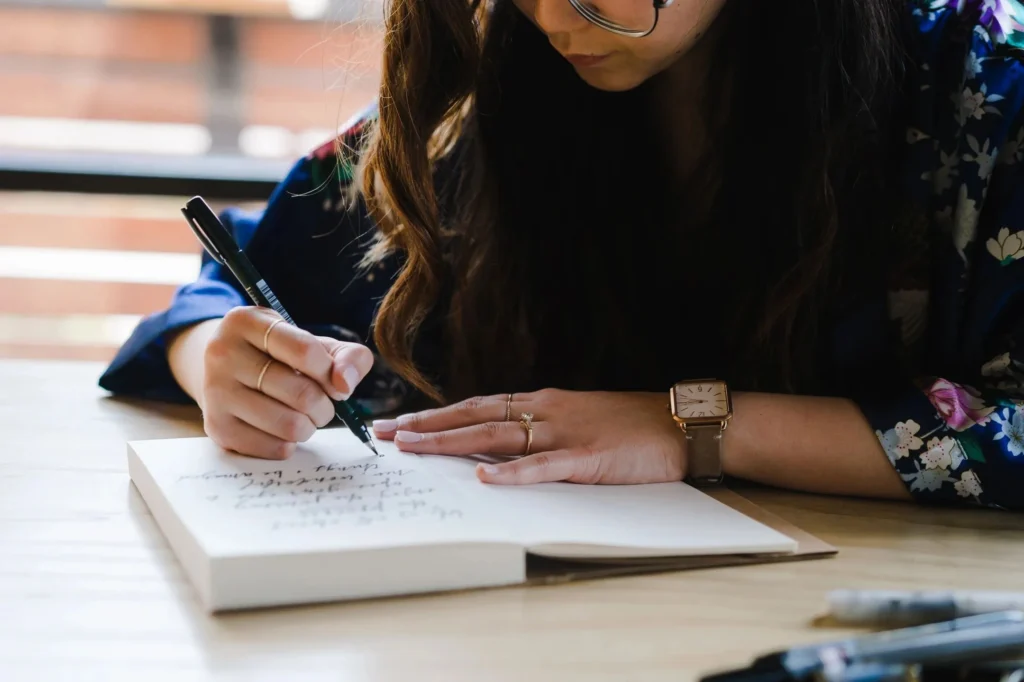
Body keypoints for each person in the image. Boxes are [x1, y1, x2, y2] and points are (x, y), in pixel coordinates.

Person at [100, 0, 1024, 510]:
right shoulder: (498, 80)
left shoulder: (981, 88)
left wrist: (688, 428)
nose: (551, 15)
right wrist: (223, 355)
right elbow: (239, 285)